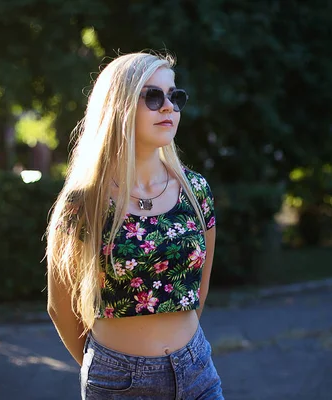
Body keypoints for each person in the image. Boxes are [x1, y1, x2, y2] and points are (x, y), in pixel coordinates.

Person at [45, 51, 224, 399]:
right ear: (119, 105)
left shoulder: (195, 189)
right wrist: (106, 364)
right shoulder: (85, 203)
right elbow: (60, 305)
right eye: (153, 96)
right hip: (117, 381)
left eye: (175, 96)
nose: (169, 107)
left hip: (197, 370)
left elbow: (198, 289)